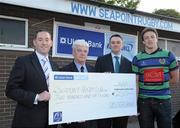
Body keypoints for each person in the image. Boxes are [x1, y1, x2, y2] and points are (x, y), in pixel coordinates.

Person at [6, 30, 59, 128]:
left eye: (47, 40)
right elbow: (11, 90)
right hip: (29, 121)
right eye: (40, 39)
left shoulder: (54, 65)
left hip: (50, 121)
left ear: (51, 43)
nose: (44, 43)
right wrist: (37, 97)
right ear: (34, 42)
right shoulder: (23, 62)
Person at [132, 27, 179, 128]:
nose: (150, 39)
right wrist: (134, 103)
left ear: (157, 39)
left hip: (164, 101)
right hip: (144, 102)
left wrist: (160, 84)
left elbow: (175, 78)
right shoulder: (137, 58)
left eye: (152, 37)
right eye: (146, 38)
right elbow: (135, 83)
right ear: (143, 41)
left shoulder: (168, 55)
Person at [95, 34, 132, 128]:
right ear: (109, 45)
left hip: (121, 105)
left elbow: (131, 85)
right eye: (113, 42)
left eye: (118, 42)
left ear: (122, 45)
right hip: (105, 104)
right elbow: (95, 80)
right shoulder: (101, 60)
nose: (115, 44)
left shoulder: (129, 63)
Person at [60, 39, 97, 128]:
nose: (82, 53)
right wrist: (66, 115)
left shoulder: (94, 71)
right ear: (73, 52)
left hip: (90, 119)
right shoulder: (64, 71)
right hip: (72, 120)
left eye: (85, 51)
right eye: (79, 50)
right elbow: (61, 96)